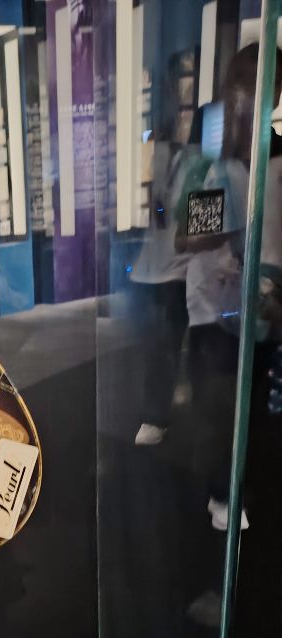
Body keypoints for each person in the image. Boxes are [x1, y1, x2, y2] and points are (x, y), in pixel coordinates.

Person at [179, 44, 282, 531]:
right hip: (213, 308)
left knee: (251, 408)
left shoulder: (277, 159)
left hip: (263, 309)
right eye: (243, 80)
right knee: (218, 407)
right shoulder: (212, 156)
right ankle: (221, 495)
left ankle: (234, 487)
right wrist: (230, 229)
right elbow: (187, 236)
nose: (252, 93)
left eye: (266, 82)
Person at [131, 55, 202, 446]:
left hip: (180, 268)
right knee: (157, 346)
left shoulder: (200, 157)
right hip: (153, 268)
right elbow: (151, 206)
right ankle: (157, 412)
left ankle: (159, 414)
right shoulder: (154, 148)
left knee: (168, 344)